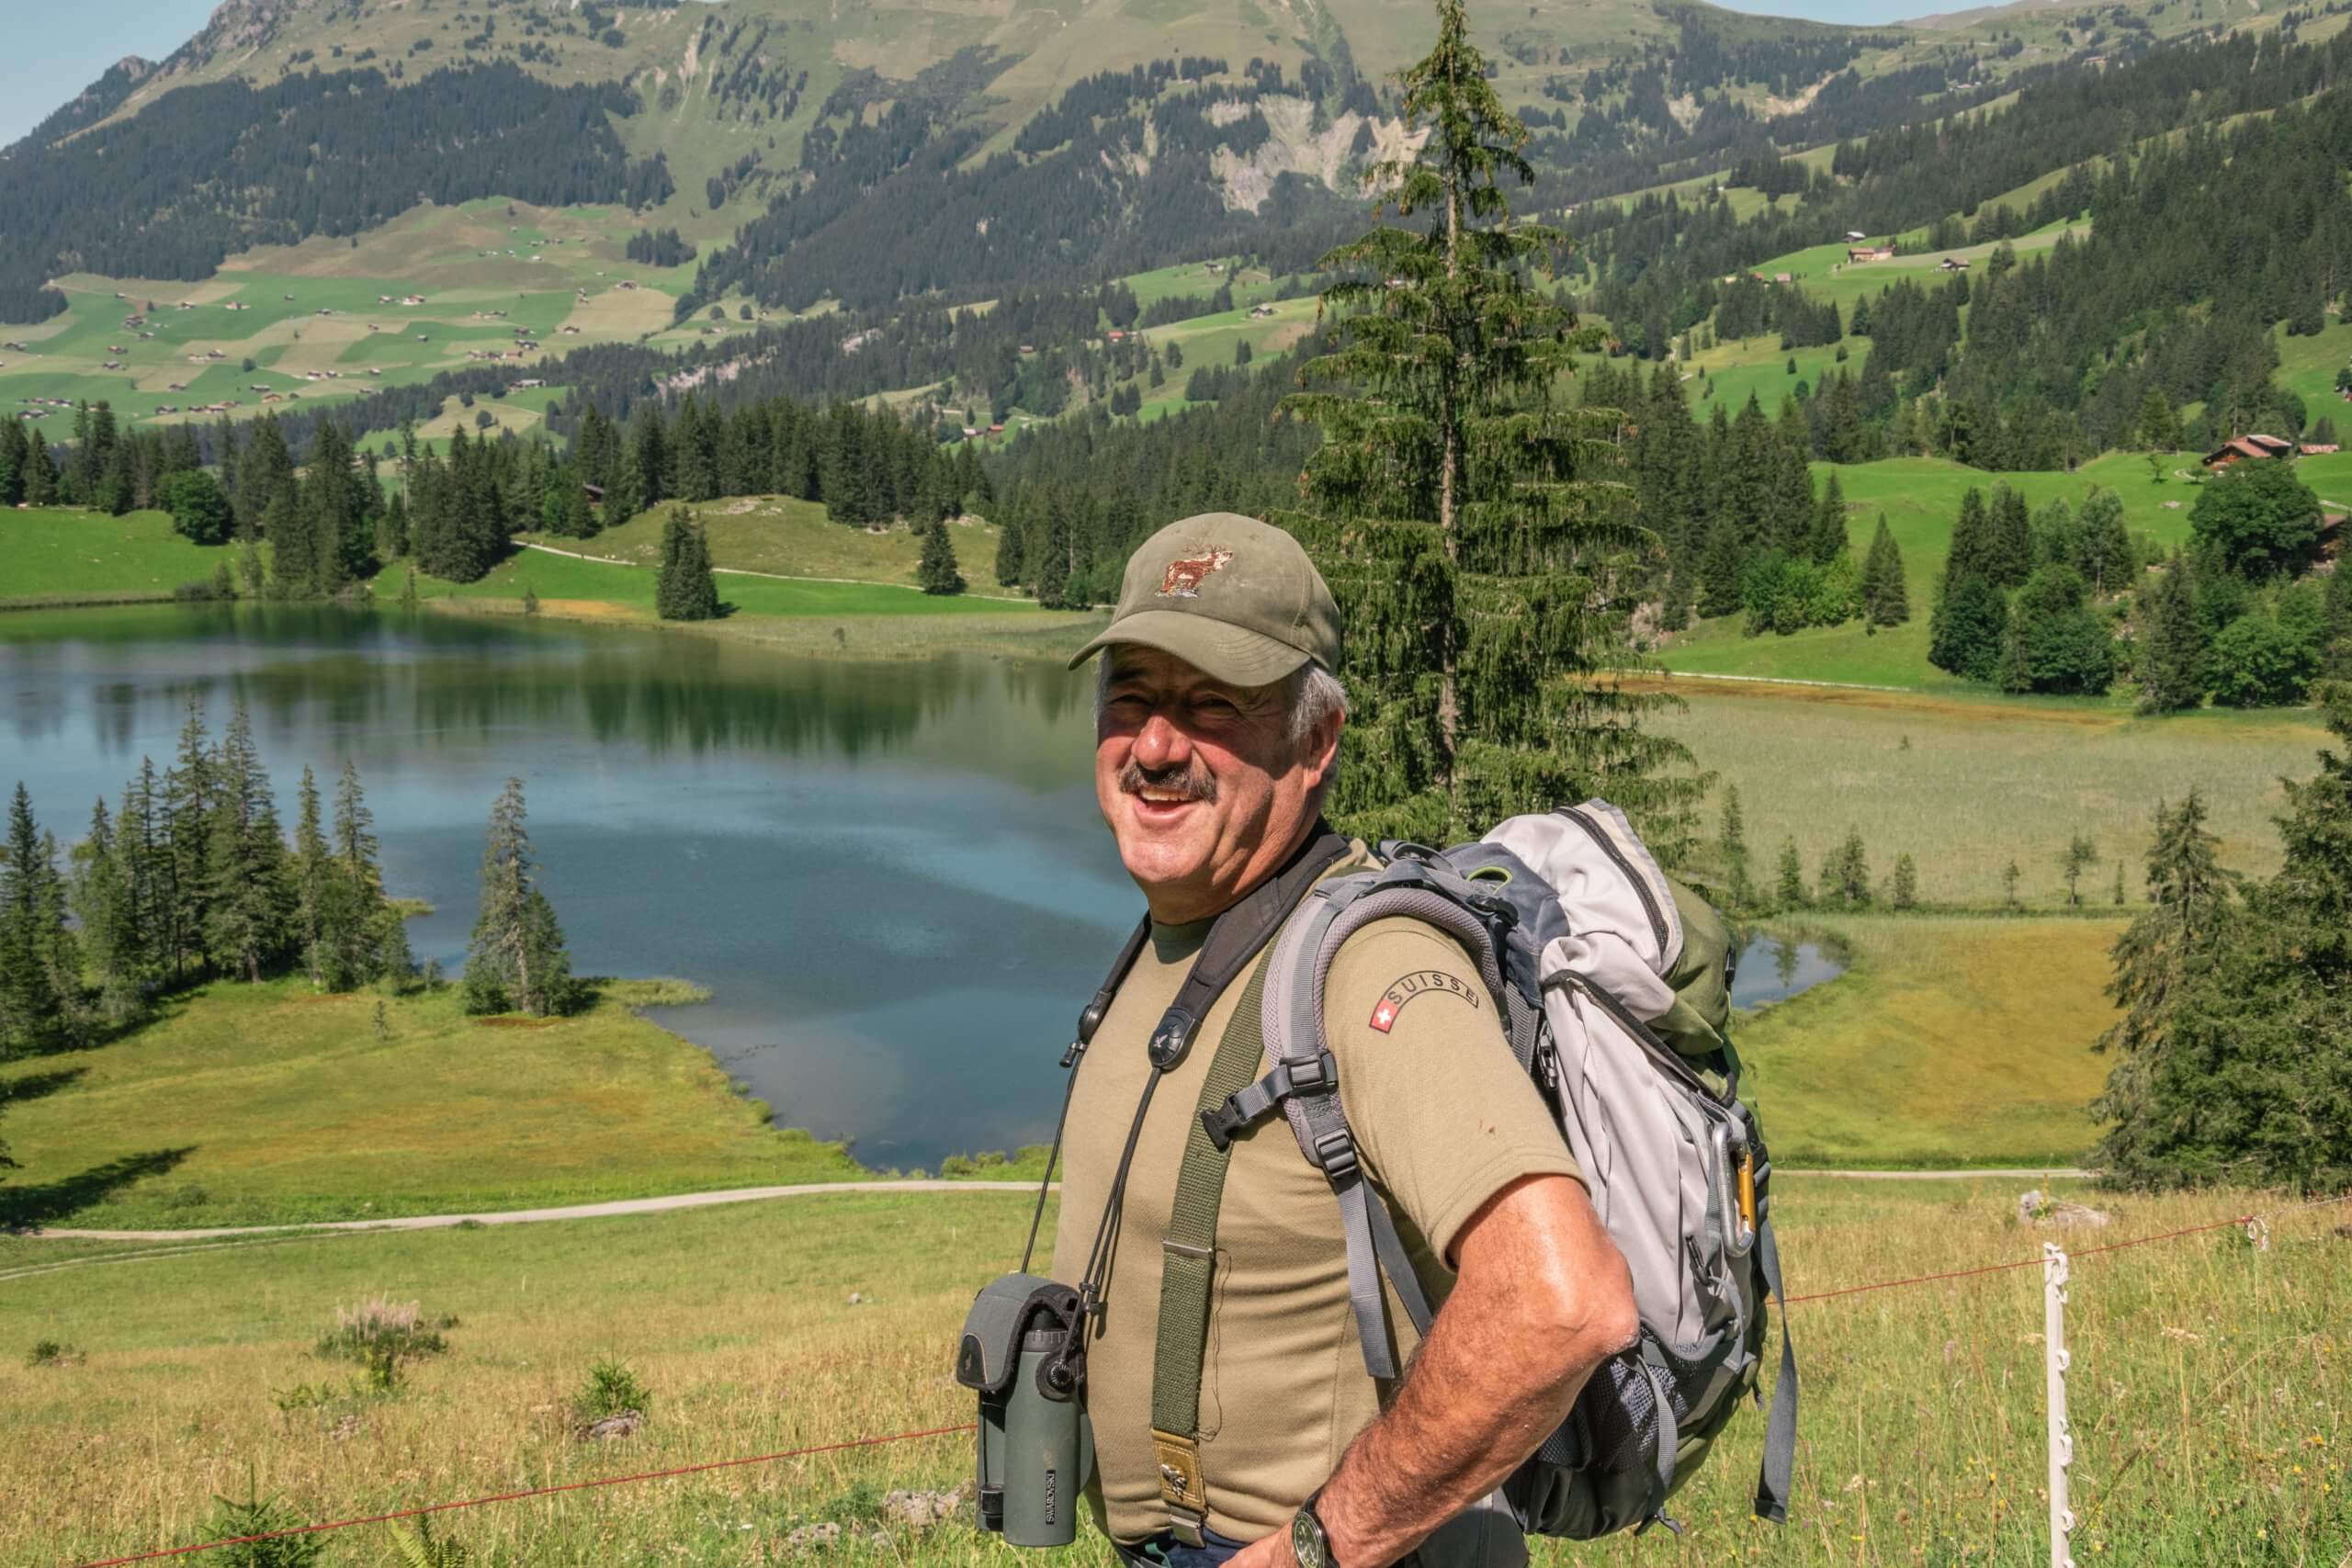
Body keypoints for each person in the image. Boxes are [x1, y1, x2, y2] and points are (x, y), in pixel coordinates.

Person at [1053, 512, 1639, 1568]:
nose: (1152, 746)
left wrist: (1321, 1545)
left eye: (1210, 706)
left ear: (1314, 742)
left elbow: (1562, 1301)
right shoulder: (1181, 937)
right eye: (1130, 696)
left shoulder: (1369, 972)